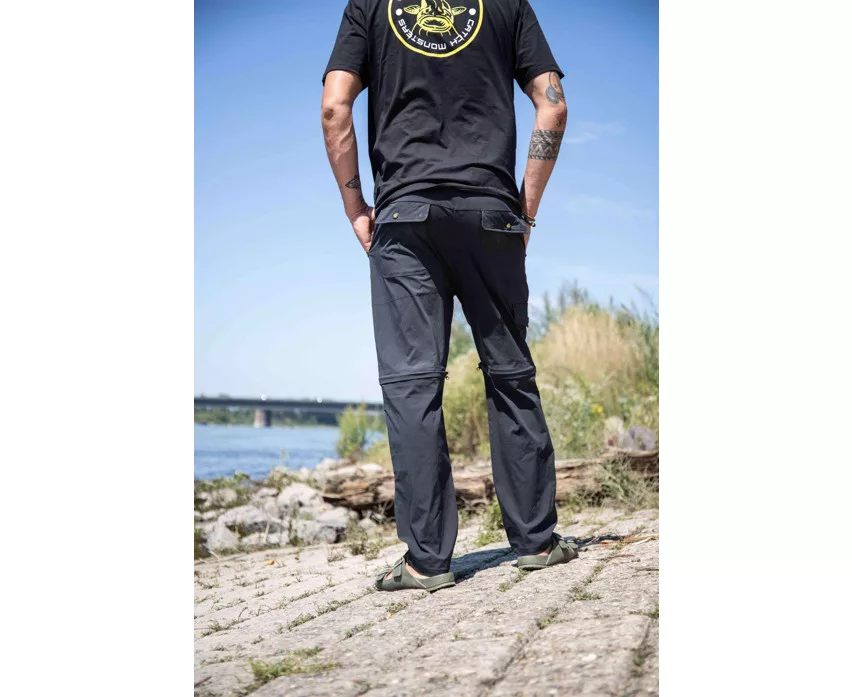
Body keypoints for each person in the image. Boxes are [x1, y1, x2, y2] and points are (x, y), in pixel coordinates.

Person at [321, 0, 577, 592]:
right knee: (509, 374)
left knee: (412, 384)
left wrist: (355, 206)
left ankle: (426, 562)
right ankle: (537, 543)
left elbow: (335, 106)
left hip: (404, 217)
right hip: (491, 212)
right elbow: (553, 105)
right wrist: (525, 211)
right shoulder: (508, 5)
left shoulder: (369, 6)